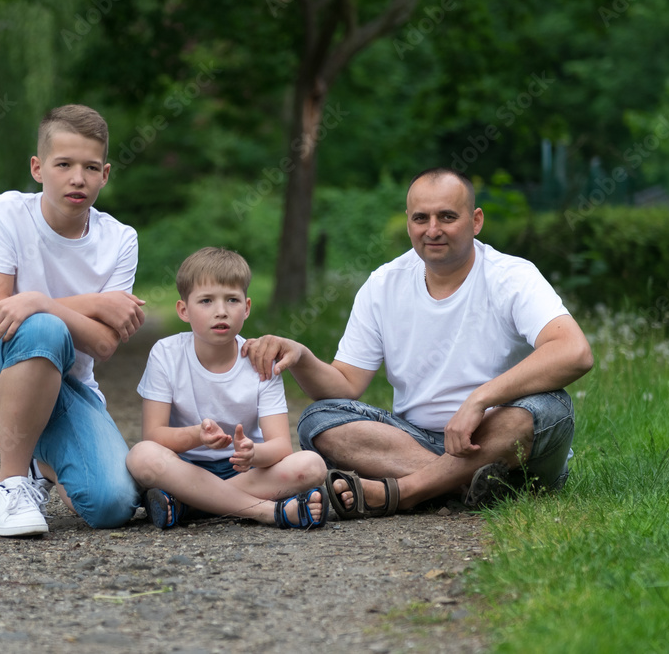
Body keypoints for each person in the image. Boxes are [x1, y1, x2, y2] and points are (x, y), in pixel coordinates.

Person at [243, 168, 594, 518]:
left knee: (551, 408)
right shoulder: (384, 284)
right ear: (409, 222)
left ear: (475, 221)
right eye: (420, 218)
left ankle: (407, 491)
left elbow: (574, 352)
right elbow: (345, 386)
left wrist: (479, 400)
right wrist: (302, 356)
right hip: (413, 442)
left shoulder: (512, 276)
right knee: (318, 419)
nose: (433, 230)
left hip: (500, 445)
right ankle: (465, 485)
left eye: (447, 217)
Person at [0, 104, 146, 537]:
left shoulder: (120, 239)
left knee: (114, 505)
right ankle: (11, 485)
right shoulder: (2, 213)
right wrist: (81, 307)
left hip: (72, 388)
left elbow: (103, 344)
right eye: (63, 164)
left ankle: (44, 469)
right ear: (38, 168)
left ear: (106, 174)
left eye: (91, 167)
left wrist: (38, 300)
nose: (77, 178)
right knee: (42, 328)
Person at [125, 247, 330, 529]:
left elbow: (281, 446)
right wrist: (197, 435)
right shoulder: (167, 353)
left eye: (231, 300)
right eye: (206, 301)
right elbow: (154, 435)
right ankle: (269, 511)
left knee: (312, 465)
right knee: (142, 456)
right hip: (184, 469)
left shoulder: (261, 360)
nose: (221, 311)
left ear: (246, 307)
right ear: (183, 310)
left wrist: (253, 453)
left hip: (244, 471)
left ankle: (188, 505)